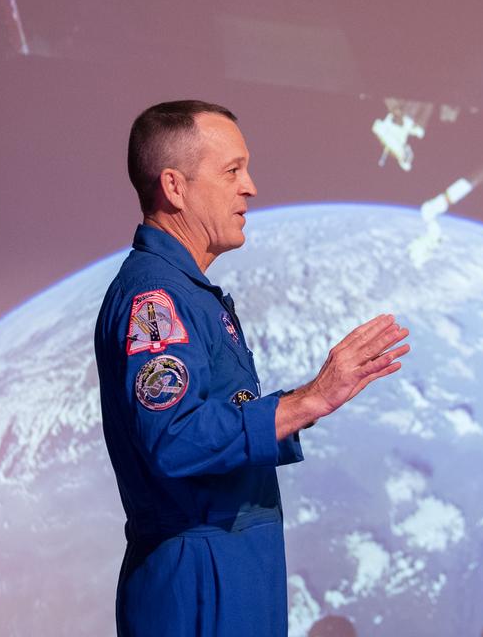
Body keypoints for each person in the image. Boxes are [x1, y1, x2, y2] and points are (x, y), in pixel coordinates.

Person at [94, 100, 410, 636]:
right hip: (200, 578)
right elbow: (175, 438)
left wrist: (311, 400)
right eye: (232, 170)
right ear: (174, 187)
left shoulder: (189, 292)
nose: (251, 187)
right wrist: (310, 399)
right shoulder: (156, 298)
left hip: (231, 565)